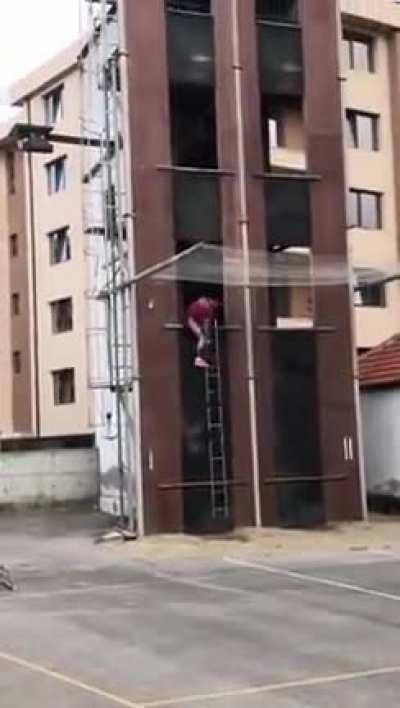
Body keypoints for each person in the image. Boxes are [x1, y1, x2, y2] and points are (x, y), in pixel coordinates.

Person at [186, 296, 220, 368]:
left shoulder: (199, 303)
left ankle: (201, 358)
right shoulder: (208, 309)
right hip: (192, 321)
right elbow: (206, 323)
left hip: (191, 321)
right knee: (203, 339)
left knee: (203, 339)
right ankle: (198, 358)